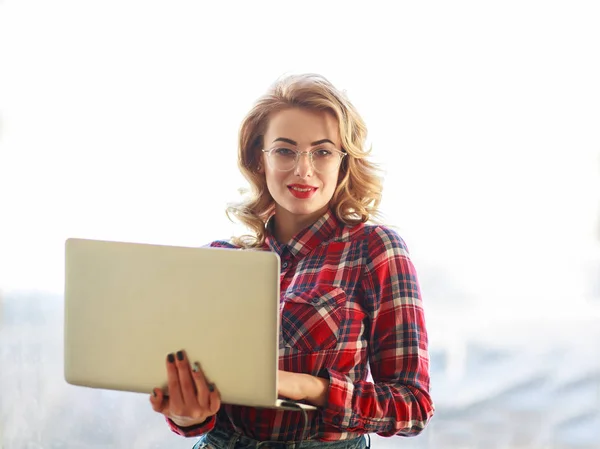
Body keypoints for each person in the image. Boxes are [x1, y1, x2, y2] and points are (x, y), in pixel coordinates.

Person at [149, 73, 434, 449]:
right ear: (259, 159)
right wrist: (188, 415)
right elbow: (199, 412)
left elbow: (412, 406)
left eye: (323, 151)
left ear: (343, 163)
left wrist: (305, 387)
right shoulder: (219, 260)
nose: (303, 169)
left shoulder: (375, 250)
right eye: (285, 150)